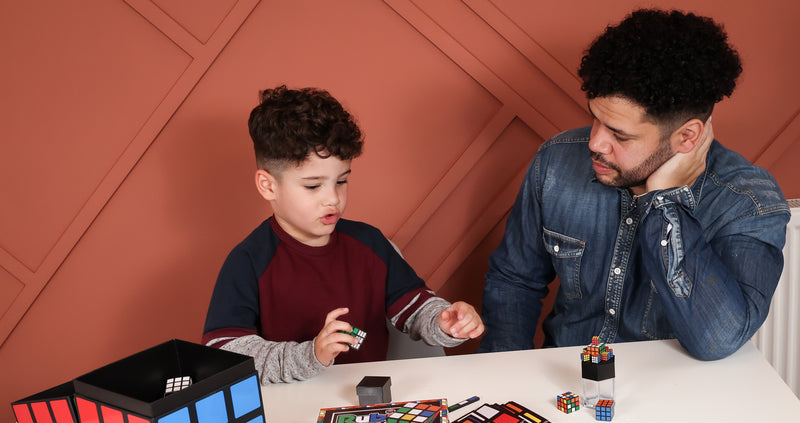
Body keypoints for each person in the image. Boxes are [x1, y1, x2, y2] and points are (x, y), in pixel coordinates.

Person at [479, 9, 789, 361]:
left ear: (687, 137)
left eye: (620, 136)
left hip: (677, 401)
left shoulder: (747, 202)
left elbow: (717, 340)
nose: (595, 143)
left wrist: (665, 202)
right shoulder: (555, 161)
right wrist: (507, 378)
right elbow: (514, 281)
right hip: (566, 384)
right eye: (594, 119)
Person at [203, 85, 483, 383]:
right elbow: (227, 354)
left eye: (342, 181)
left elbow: (415, 310)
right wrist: (310, 356)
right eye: (313, 186)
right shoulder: (248, 261)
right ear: (268, 186)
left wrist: (445, 323)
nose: (332, 199)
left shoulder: (370, 243)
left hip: (367, 403)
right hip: (286, 409)